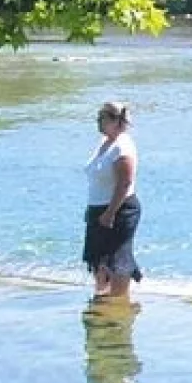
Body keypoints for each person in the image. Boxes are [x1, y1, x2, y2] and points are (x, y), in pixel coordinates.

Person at [83, 100, 142, 301]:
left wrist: (110, 213)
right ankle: (102, 298)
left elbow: (125, 183)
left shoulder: (122, 146)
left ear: (115, 121)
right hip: (97, 208)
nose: (98, 122)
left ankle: (119, 300)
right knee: (98, 259)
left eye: (102, 118)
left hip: (119, 210)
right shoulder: (104, 143)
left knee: (118, 261)